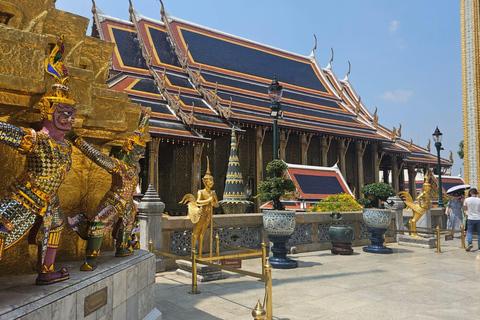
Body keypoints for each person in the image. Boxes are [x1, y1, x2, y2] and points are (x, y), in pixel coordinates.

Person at [0, 36, 77, 285]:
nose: (70, 119)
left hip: (49, 199)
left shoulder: (65, 148)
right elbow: (6, 131)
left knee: (56, 226)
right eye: (64, 113)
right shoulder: (35, 139)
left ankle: (46, 271)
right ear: (48, 111)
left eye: (72, 114)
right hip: (24, 196)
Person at [66, 108, 150, 271]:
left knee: (127, 226)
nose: (140, 156)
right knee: (97, 224)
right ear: (129, 147)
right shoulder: (118, 166)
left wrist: (142, 123)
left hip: (127, 204)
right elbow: (96, 156)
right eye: (138, 152)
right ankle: (91, 258)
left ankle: (123, 247)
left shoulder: (135, 167)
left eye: (142, 154)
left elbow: (134, 143)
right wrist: (75, 138)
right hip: (115, 200)